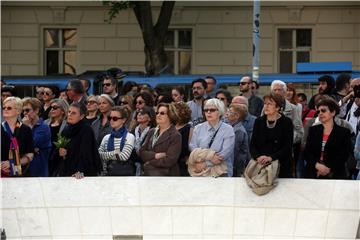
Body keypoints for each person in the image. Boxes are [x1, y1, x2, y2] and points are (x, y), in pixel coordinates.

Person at [304, 98, 351, 179]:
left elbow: (344, 155)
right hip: (313, 173)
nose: (320, 113)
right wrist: (317, 165)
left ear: (333, 112)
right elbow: (307, 152)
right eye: (318, 111)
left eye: (323, 110)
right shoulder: (313, 130)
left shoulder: (344, 132)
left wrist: (327, 169)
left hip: (335, 174)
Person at [250, 93, 294, 178]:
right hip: (261, 165)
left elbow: (287, 146)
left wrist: (271, 158)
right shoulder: (258, 121)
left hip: (281, 166)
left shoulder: (286, 122)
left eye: (269, 104)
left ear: (278, 107)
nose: (266, 106)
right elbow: (252, 144)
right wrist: (258, 157)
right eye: (265, 103)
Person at [189, 98, 235, 177]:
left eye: (212, 110)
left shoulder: (228, 129)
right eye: (206, 110)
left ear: (220, 112)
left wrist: (205, 164)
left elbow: (224, 154)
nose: (208, 112)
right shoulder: (198, 128)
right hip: (200, 172)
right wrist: (209, 157)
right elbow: (193, 149)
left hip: (220, 172)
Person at [57, 102, 102, 178]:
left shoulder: (86, 130)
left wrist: (80, 170)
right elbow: (59, 151)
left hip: (82, 174)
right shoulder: (65, 130)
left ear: (81, 116)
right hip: (67, 171)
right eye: (69, 112)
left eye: (74, 113)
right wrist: (60, 152)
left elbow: (86, 153)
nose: (69, 115)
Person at [139, 103, 182, 176]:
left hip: (167, 176)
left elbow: (170, 160)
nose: (158, 115)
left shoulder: (175, 135)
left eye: (162, 113)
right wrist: (155, 155)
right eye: (157, 113)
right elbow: (141, 152)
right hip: (148, 174)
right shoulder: (151, 131)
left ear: (170, 116)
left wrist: (150, 162)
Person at [1, 97, 34, 177]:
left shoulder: (26, 130)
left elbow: (30, 154)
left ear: (18, 111)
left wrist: (12, 163)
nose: (5, 109)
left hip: (21, 175)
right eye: (4, 108)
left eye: (9, 108)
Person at [99, 106, 136, 176]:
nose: (111, 120)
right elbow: (99, 155)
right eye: (110, 118)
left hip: (125, 176)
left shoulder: (130, 137)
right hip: (107, 174)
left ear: (123, 120)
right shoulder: (106, 137)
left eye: (115, 118)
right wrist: (115, 152)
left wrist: (107, 155)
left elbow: (124, 156)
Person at [22, 98, 52, 177]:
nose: (25, 113)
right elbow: (19, 145)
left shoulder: (44, 127)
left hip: (38, 171)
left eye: (27, 110)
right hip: (23, 170)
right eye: (23, 111)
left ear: (36, 111)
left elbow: (32, 143)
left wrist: (27, 127)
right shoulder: (21, 126)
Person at [45, 98, 69, 176]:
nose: (52, 109)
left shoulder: (67, 124)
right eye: (51, 108)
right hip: (46, 156)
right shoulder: (45, 123)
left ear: (63, 110)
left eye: (55, 108)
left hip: (60, 158)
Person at [225, 104, 250, 177]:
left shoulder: (238, 131)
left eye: (230, 111)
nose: (227, 113)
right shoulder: (231, 127)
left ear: (237, 116)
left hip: (236, 167)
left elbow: (233, 150)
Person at [131, 106, 156, 175]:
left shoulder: (154, 132)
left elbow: (151, 151)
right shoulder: (132, 131)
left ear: (150, 118)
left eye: (142, 113)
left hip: (148, 166)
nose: (139, 114)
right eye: (138, 112)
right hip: (133, 165)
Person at [173, 101, 193, 176]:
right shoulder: (171, 126)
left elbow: (187, 147)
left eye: (176, 110)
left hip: (181, 162)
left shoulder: (188, 127)